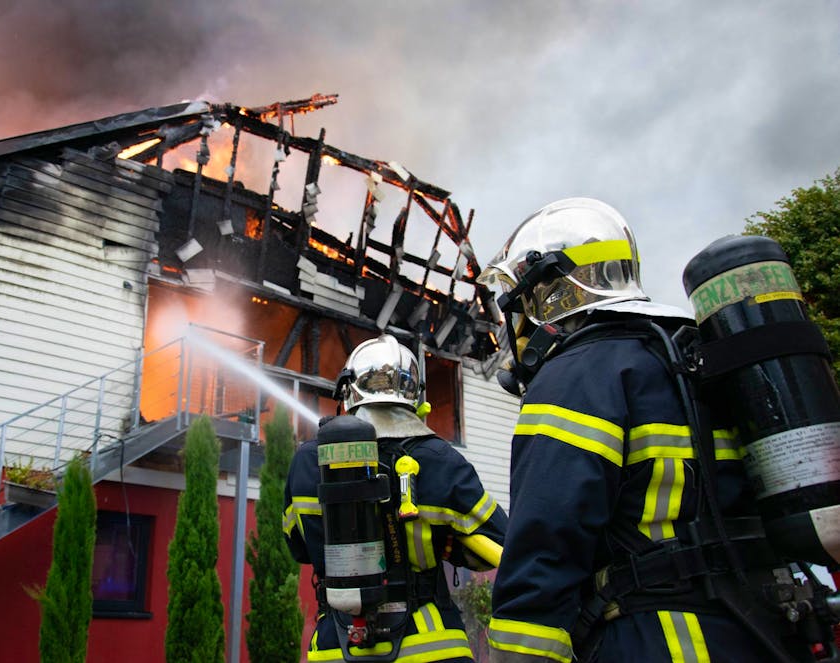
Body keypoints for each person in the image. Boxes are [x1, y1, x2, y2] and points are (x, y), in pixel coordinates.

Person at [477, 198, 816, 663]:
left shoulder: (576, 375)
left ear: (547, 291)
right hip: (764, 628)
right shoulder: (701, 356)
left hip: (658, 637)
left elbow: (545, 544)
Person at [283, 333, 509, 662]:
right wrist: (447, 546)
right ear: (414, 397)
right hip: (432, 644)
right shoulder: (440, 458)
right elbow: (496, 544)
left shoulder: (308, 460)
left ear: (348, 392)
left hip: (337, 645)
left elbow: (298, 547)